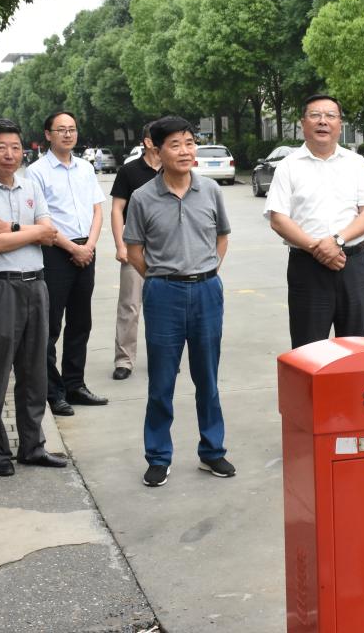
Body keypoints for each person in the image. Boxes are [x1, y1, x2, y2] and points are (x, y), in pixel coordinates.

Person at [124, 116, 233, 488]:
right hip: (163, 294)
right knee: (161, 381)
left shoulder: (210, 190)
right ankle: (158, 457)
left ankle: (212, 451)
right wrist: (160, 277)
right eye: (175, 144)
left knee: (208, 378)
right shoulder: (142, 197)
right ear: (157, 150)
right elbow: (134, 250)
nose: (185, 151)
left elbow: (222, 237)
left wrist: (206, 270)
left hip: (207, 291)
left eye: (189, 142)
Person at [0, 118, 66, 477]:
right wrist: (31, 232)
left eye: (16, 147)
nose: (10, 154)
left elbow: (51, 233)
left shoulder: (30, 185)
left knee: (35, 373)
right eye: (1, 147)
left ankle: (32, 446)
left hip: (36, 286)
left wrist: (12, 228)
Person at [264, 95, 364, 348]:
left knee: (356, 347)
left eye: (330, 116)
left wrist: (337, 241)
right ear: (303, 123)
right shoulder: (288, 166)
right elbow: (278, 218)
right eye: (315, 115)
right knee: (308, 349)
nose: (323, 121)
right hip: (307, 268)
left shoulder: (356, 163)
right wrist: (317, 249)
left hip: (353, 266)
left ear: (340, 123)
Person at [26, 111, 109, 417]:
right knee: (50, 326)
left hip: (86, 249)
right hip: (55, 252)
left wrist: (89, 246)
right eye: (61, 129)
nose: (67, 134)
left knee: (81, 321)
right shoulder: (36, 172)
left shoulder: (85, 167)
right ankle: (53, 392)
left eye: (72, 129)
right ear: (48, 134)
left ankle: (75, 385)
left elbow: (97, 210)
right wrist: (73, 248)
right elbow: (41, 220)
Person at [110, 122, 161, 381]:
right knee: (130, 305)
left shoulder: (172, 170)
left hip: (166, 248)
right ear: (148, 142)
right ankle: (124, 361)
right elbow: (117, 209)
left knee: (162, 306)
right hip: (135, 245)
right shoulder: (129, 171)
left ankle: (163, 357)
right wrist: (120, 245)